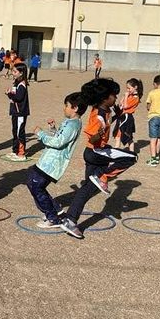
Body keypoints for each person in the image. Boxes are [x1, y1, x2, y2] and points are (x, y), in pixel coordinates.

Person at [60, 78, 137, 239]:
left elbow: (109, 121)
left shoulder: (106, 110)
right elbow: (93, 138)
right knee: (131, 157)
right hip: (96, 151)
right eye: (113, 96)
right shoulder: (98, 115)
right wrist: (99, 134)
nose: (116, 98)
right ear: (104, 98)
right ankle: (102, 176)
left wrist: (118, 114)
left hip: (96, 153)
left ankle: (70, 220)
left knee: (87, 188)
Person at [26, 92, 86, 228]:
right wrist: (53, 129)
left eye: (67, 106)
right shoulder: (71, 122)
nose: (64, 108)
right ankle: (56, 210)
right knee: (33, 182)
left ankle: (53, 218)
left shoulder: (73, 125)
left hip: (52, 163)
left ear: (75, 108)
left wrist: (40, 134)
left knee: (35, 185)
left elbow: (59, 142)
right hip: (47, 160)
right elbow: (60, 137)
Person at [6, 62, 29, 161]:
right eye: (13, 71)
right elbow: (15, 95)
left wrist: (10, 95)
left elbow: (18, 98)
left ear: (21, 73)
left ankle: (21, 153)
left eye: (15, 71)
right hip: (15, 112)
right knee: (15, 131)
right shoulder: (16, 83)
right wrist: (10, 93)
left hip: (20, 113)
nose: (13, 73)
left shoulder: (22, 85)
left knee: (20, 132)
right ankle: (15, 151)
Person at [114, 78, 143, 150]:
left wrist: (126, 96)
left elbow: (126, 106)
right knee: (118, 136)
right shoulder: (129, 95)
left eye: (129, 88)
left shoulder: (136, 98)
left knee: (128, 137)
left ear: (135, 87)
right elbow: (121, 104)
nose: (127, 90)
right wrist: (124, 97)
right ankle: (116, 151)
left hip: (127, 118)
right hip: (122, 117)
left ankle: (132, 153)